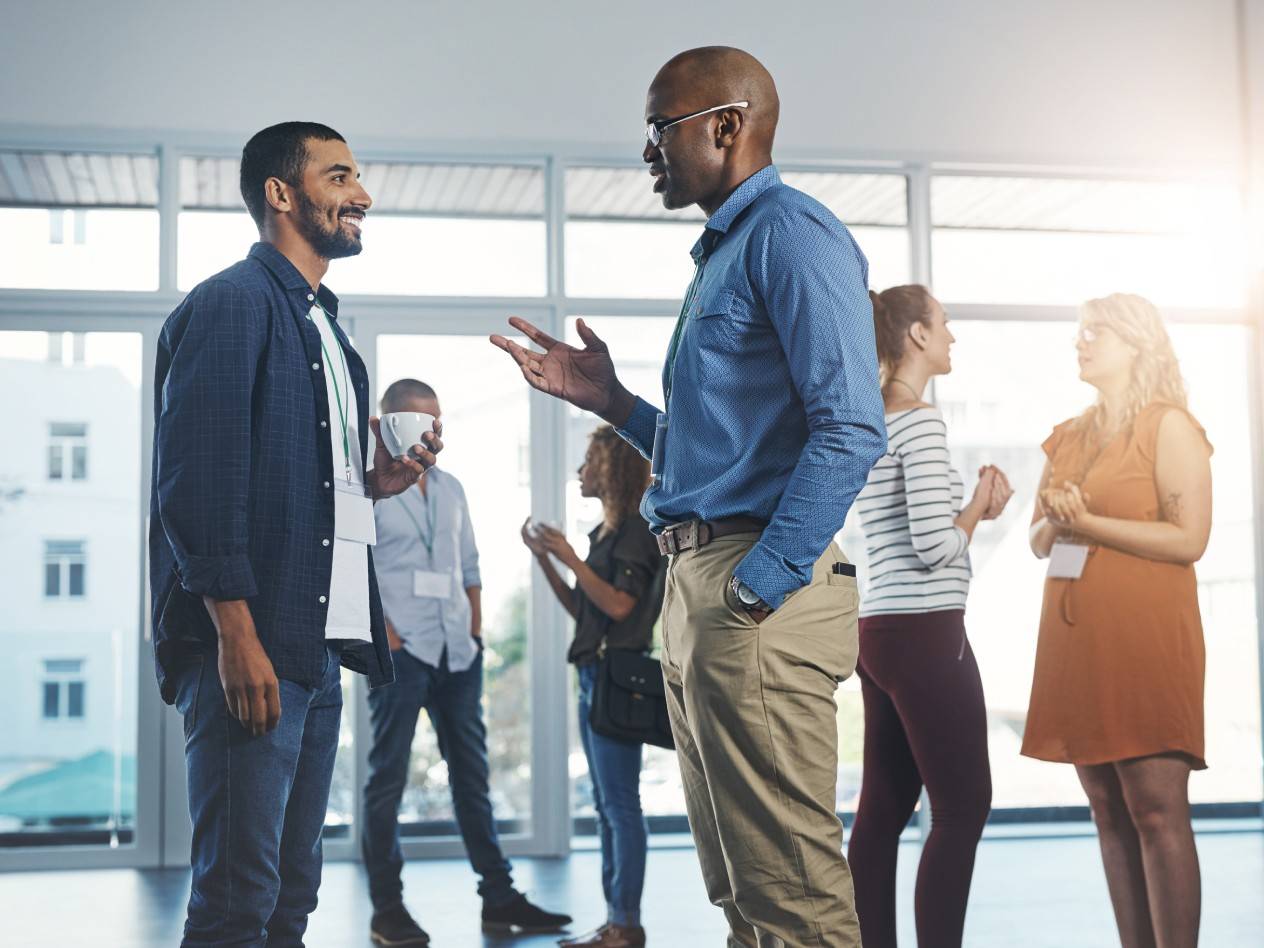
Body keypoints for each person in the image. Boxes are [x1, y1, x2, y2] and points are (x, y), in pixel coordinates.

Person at [492, 46, 886, 948]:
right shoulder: (727, 254)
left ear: (727, 125)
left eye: (659, 129)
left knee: (793, 899)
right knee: (743, 893)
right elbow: (713, 457)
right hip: (701, 588)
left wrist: (758, 585)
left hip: (751, 591)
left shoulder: (791, 234)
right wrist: (613, 403)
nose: (647, 153)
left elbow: (853, 425)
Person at [149, 122, 442, 947]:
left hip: (314, 649)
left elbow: (309, 491)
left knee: (288, 900)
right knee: (237, 904)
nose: (363, 195)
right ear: (282, 195)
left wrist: (375, 484)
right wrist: (236, 636)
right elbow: (196, 479)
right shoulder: (232, 306)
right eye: (341, 175)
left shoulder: (330, 332)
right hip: (254, 643)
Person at [1023, 293, 1212, 948]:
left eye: (1095, 332)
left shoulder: (1169, 427)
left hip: (1146, 645)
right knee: (1108, 813)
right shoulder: (1069, 434)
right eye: (1080, 332)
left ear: (1136, 344)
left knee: (1157, 814)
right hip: (1078, 648)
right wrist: (1057, 517)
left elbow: (1190, 540)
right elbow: (1039, 540)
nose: (1082, 342)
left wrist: (1087, 520)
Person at [362, 378, 571, 945]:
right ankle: (387, 909)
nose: (428, 431)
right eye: (414, 420)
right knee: (387, 781)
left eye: (435, 421)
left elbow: (471, 566)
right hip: (401, 652)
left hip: (457, 650)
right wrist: (387, 635)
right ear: (386, 425)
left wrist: (474, 631)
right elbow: (356, 566)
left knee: (472, 780)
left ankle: (499, 899)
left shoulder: (451, 488)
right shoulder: (369, 488)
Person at [847, 285, 1013, 948]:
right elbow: (935, 544)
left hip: (878, 628)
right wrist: (976, 505)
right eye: (944, 323)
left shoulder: (868, 418)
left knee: (883, 807)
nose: (952, 336)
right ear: (915, 334)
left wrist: (971, 512)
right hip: (925, 627)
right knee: (963, 806)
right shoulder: (918, 420)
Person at [521, 425, 666, 948]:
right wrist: (546, 558)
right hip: (594, 672)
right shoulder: (603, 535)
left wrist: (568, 557)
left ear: (612, 469)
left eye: (588, 461)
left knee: (620, 806)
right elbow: (585, 612)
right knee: (609, 806)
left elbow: (622, 607)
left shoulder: (633, 532)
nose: (581, 470)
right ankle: (615, 920)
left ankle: (625, 923)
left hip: (617, 678)